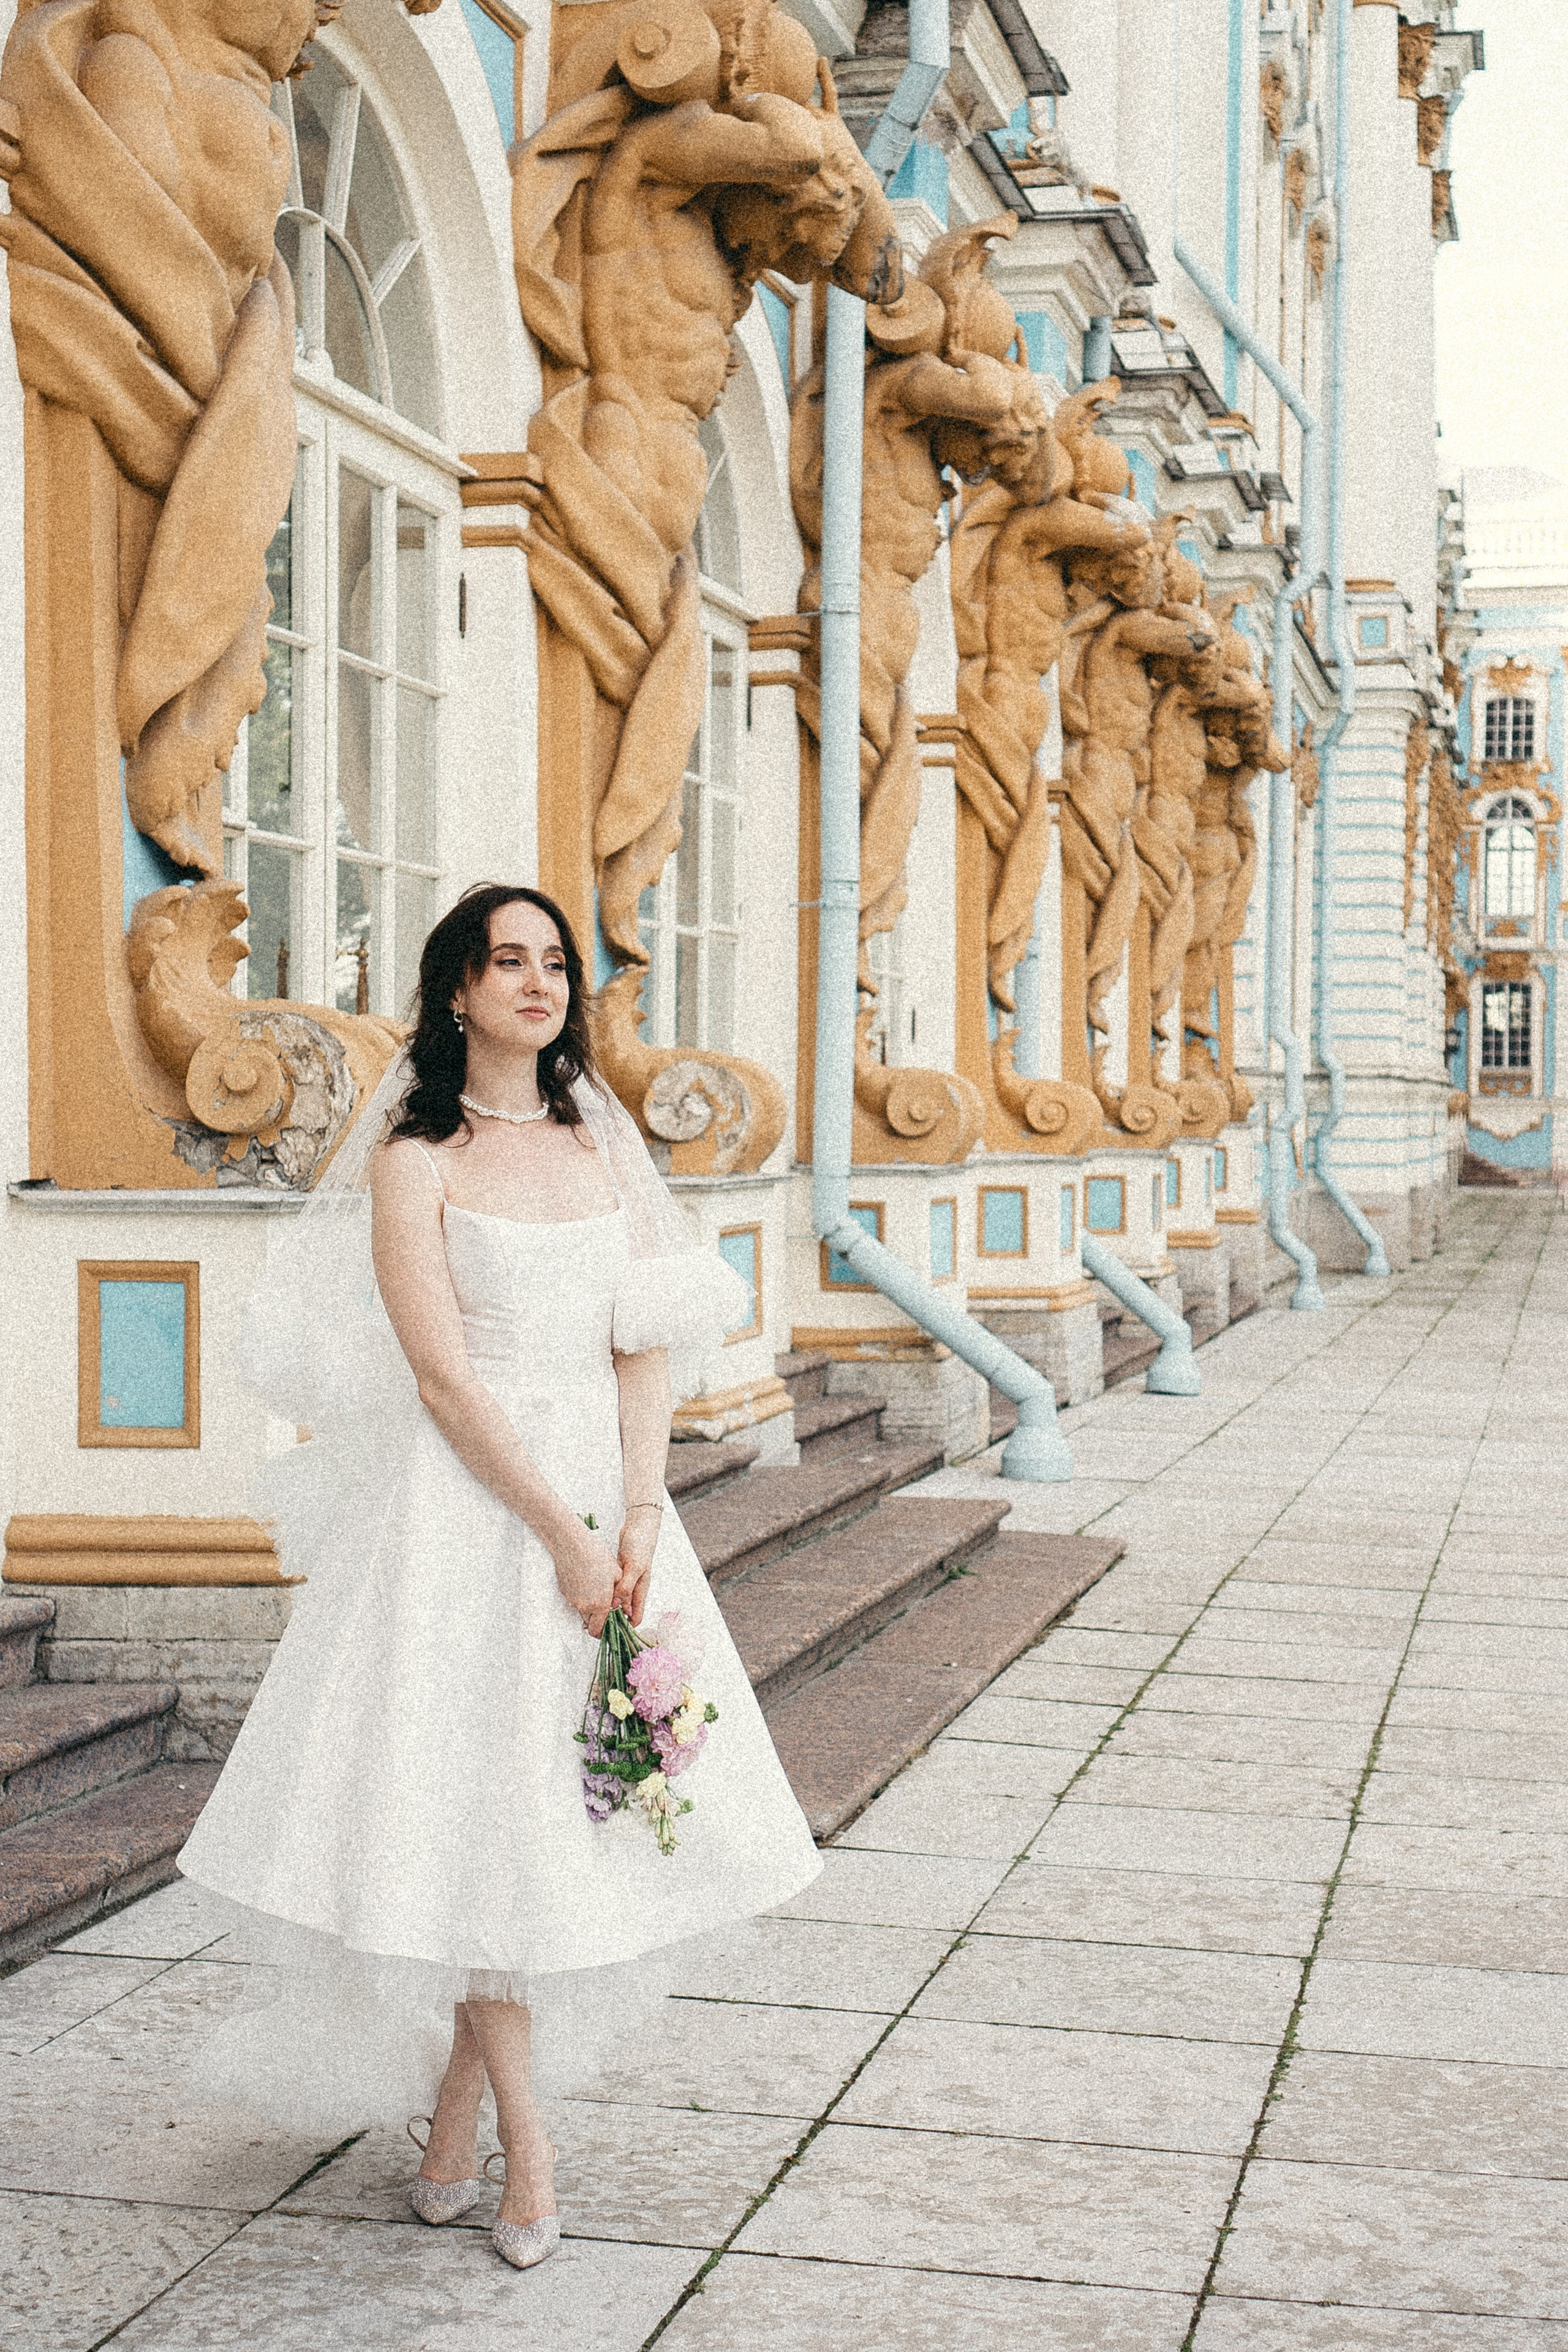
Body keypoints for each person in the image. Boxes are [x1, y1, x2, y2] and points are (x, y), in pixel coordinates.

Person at [176, 881, 823, 2271]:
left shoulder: (600, 1139)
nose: (537, 984)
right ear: (455, 991)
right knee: (474, 1820)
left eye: (553, 964)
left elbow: (644, 1334)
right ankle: (529, 2154)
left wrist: (639, 1511)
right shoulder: (418, 1158)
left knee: (544, 1827)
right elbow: (442, 1381)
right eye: (505, 962)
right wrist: (562, 1537)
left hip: (606, 1495)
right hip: (465, 1517)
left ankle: (455, 2129)